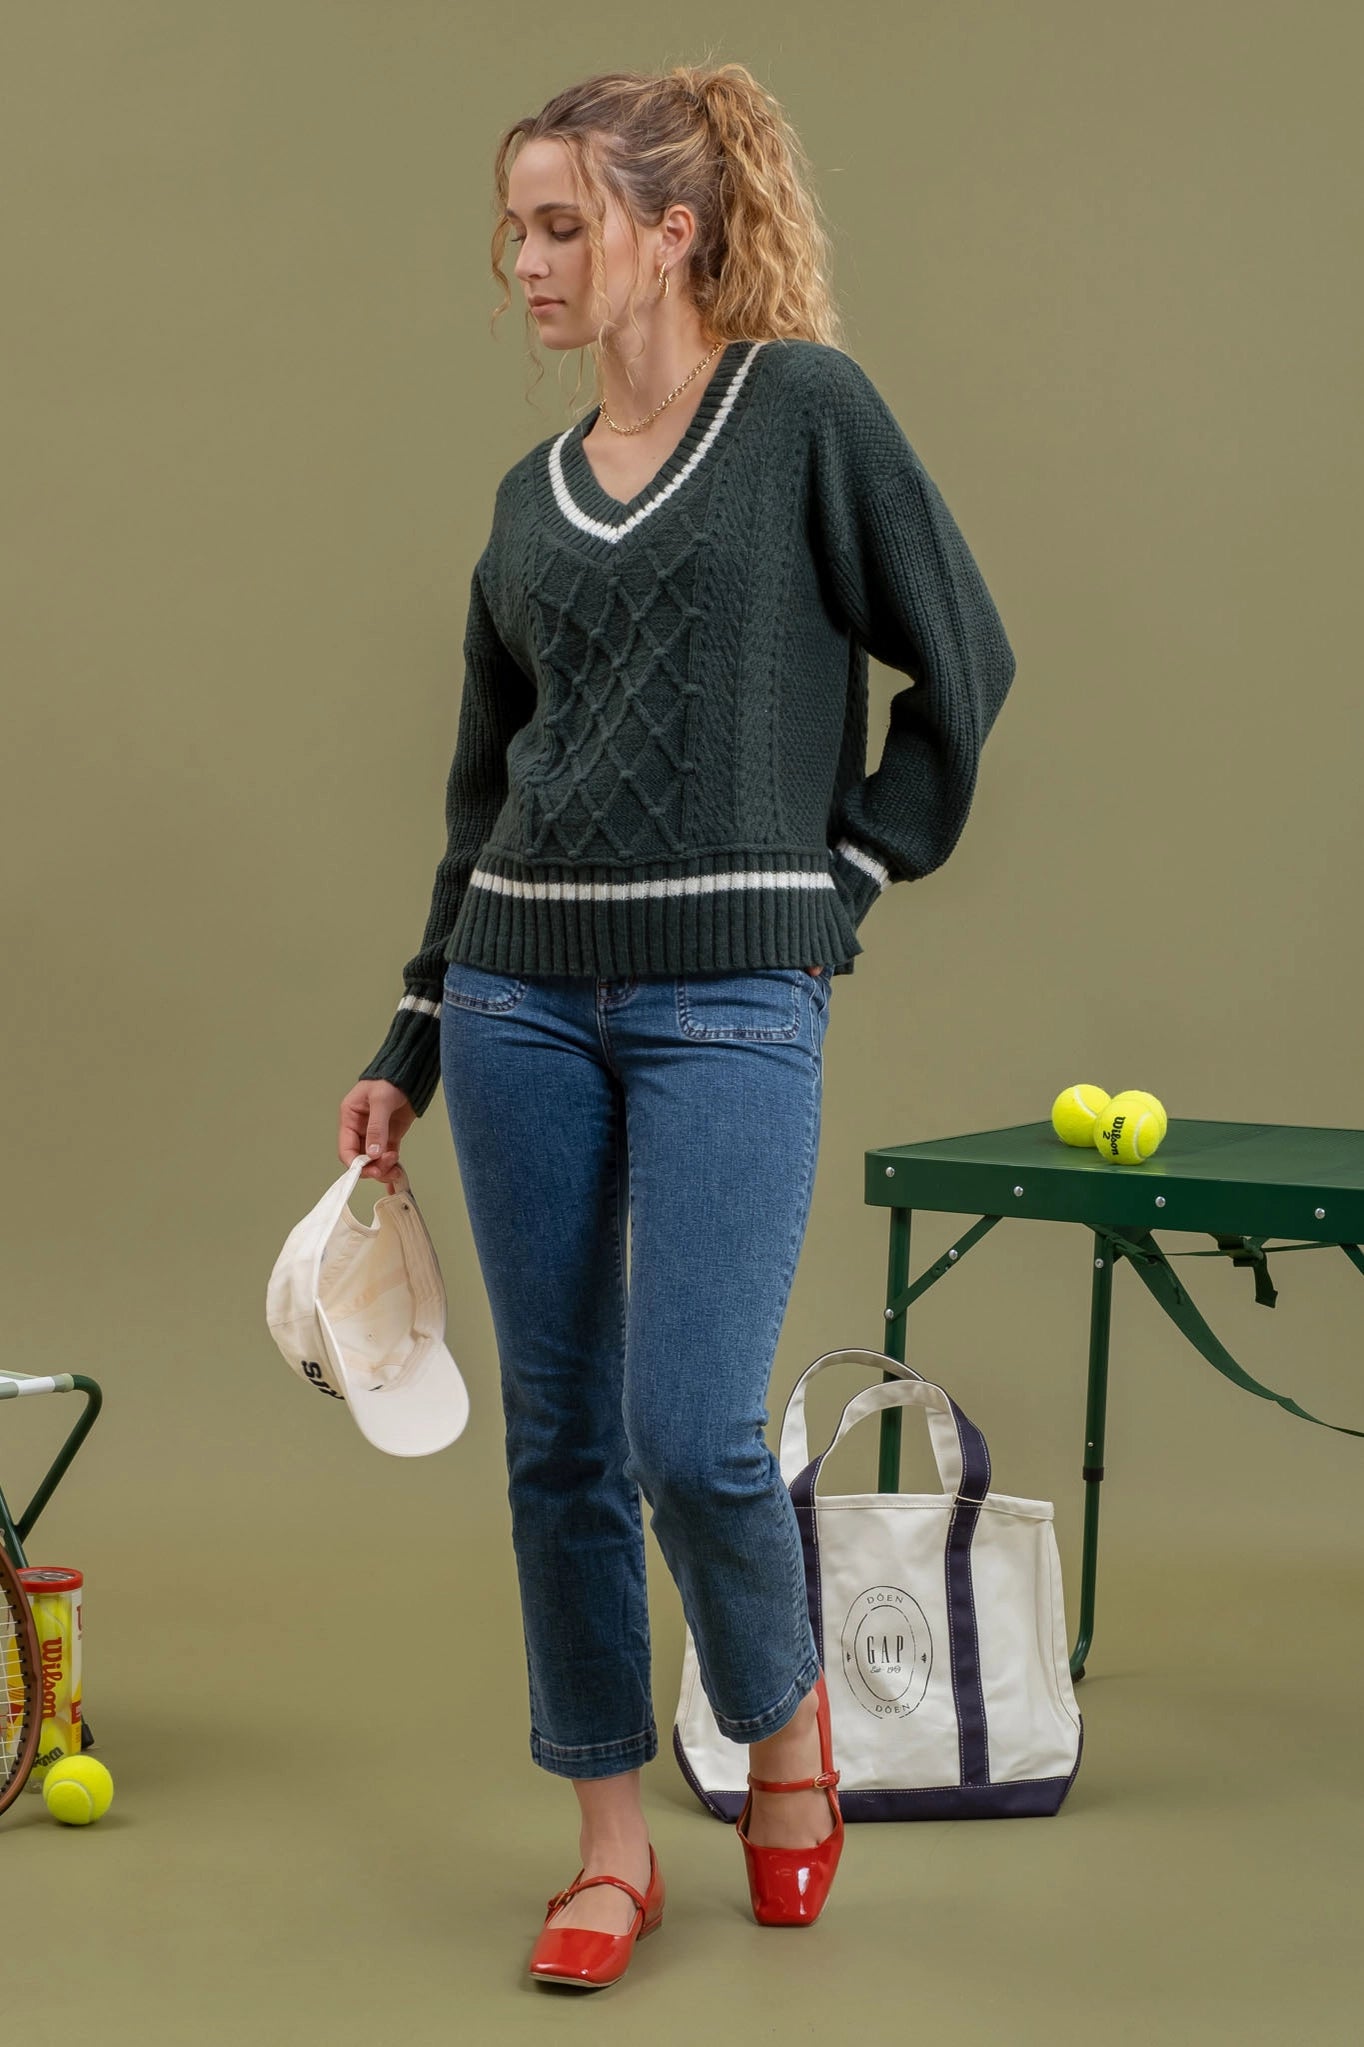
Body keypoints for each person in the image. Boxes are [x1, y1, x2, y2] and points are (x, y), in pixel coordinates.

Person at [337, 62, 1015, 1990]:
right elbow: (484, 797)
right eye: (516, 229)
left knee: (692, 1430)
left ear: (673, 230)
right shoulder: (525, 501)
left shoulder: (804, 414)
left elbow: (962, 658)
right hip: (516, 999)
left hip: (732, 995)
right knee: (560, 1440)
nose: (527, 264)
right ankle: (611, 1845)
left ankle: (785, 1722)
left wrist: (842, 881)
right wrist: (409, 1043)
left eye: (563, 225)